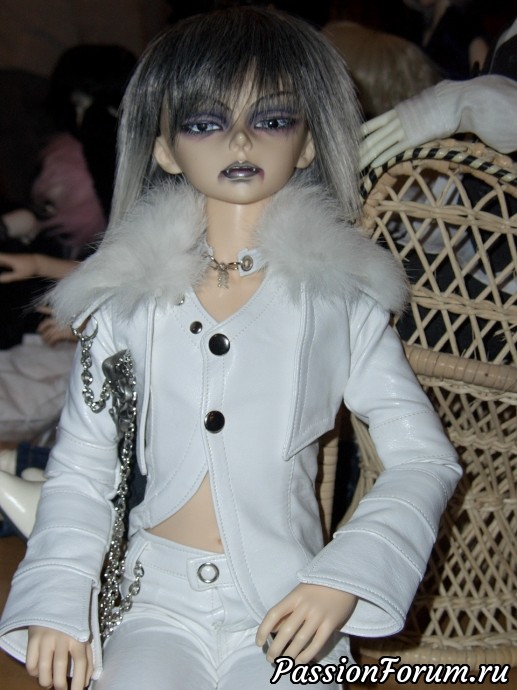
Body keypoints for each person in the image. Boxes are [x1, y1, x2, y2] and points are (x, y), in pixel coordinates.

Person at [0, 8, 460, 690]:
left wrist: (347, 576)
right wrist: (58, 599)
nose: (240, 140)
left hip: (289, 602)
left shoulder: (340, 303)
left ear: (308, 143)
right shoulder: (126, 302)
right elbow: (83, 466)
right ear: (164, 150)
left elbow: (423, 458)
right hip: (153, 600)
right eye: (204, 122)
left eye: (272, 119)